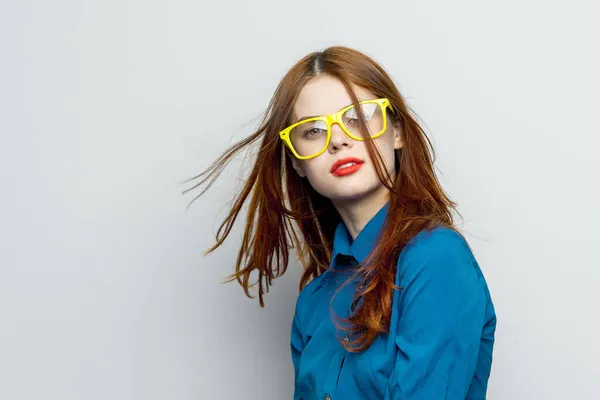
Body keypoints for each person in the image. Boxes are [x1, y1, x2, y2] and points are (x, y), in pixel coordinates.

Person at [185, 46, 497, 399]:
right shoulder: (314, 301)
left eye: (359, 117)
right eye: (313, 130)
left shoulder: (435, 259)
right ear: (298, 162)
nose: (338, 140)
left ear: (397, 132)